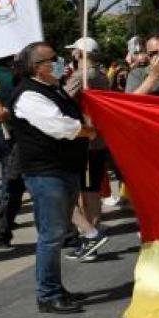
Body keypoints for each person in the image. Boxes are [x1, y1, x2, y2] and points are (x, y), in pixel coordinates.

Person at [7, 43, 98, 314]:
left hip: (63, 170)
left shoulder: (52, 88)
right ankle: (47, 294)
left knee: (58, 234)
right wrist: (87, 131)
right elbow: (59, 126)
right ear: (37, 66)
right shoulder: (28, 95)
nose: (59, 62)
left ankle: (55, 288)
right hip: (47, 173)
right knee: (51, 235)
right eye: (52, 59)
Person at [62, 37, 112, 262]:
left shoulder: (84, 76)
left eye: (74, 52)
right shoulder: (100, 74)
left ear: (79, 54)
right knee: (89, 191)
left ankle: (92, 240)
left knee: (88, 193)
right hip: (96, 141)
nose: (72, 55)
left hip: (87, 142)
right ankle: (91, 239)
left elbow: (60, 98)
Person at [0, 56, 23, 251]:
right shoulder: (16, 75)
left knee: (10, 184)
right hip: (9, 135)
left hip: (7, 135)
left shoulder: (13, 76)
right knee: (10, 184)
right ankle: (3, 231)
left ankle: (3, 230)